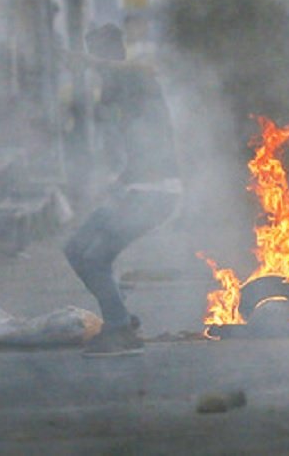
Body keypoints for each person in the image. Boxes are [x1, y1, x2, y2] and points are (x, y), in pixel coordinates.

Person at [64, 24, 181, 356]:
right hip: (138, 191)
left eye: (101, 53)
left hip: (154, 193)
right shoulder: (117, 89)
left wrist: (88, 61)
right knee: (77, 249)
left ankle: (119, 329)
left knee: (94, 257)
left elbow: (142, 68)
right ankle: (120, 314)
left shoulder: (138, 78)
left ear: (114, 53)